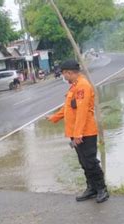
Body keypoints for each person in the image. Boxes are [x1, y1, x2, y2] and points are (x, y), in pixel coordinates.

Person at [47, 59, 109, 203]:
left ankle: (102, 189)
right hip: (76, 133)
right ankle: (91, 188)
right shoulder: (74, 87)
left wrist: (78, 134)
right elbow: (69, 108)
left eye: (64, 75)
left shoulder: (82, 86)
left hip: (85, 133)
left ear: (69, 73)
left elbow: (81, 112)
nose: (64, 77)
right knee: (83, 162)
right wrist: (55, 117)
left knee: (91, 162)